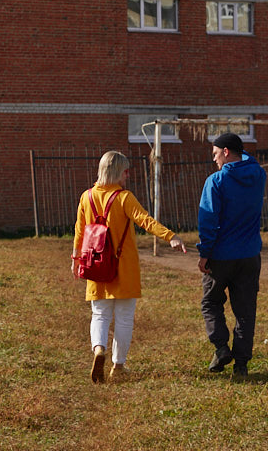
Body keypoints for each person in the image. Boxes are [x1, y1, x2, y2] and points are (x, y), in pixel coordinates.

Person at [72, 150, 186, 383]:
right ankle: (118, 366)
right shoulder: (124, 198)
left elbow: (80, 231)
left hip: (95, 264)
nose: (127, 176)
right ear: (116, 172)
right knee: (124, 318)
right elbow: (146, 221)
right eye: (125, 171)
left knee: (100, 314)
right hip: (123, 267)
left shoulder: (86, 197)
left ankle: (98, 349)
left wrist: (76, 258)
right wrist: (170, 236)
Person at [196, 131, 266, 377]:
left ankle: (222, 347)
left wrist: (204, 252)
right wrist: (237, 150)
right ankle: (242, 365)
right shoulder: (259, 175)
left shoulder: (216, 182)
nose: (214, 160)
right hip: (249, 255)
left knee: (211, 302)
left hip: (221, 256)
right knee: (245, 310)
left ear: (226, 152)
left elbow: (208, 220)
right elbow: (248, 159)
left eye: (216, 154)